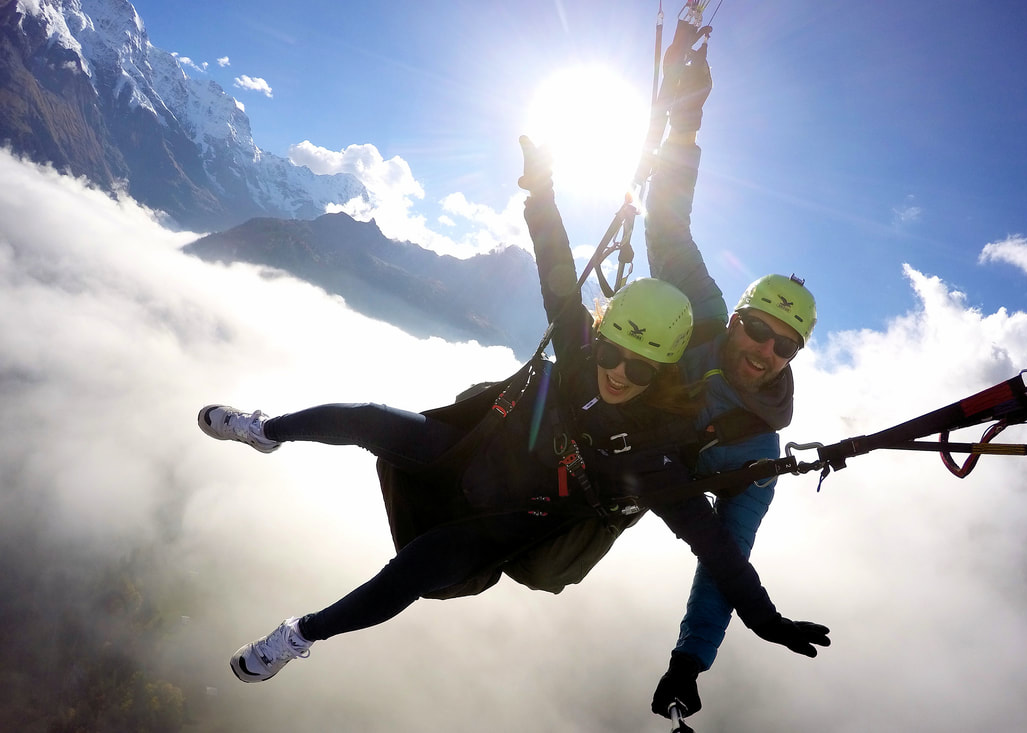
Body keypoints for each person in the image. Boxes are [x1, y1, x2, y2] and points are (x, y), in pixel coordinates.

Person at [196, 136, 828, 688]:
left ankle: (297, 636)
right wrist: (541, 187)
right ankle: (264, 430)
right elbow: (556, 264)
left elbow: (717, 547)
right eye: (612, 352)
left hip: (503, 521)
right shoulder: (583, 354)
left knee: (412, 572)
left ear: (662, 372)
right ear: (601, 335)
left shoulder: (653, 454)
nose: (618, 373)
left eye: (639, 370)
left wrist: (760, 620)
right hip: (470, 449)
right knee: (368, 419)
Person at [644, 31, 824, 720]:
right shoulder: (702, 314)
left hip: (628, 483)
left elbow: (725, 555)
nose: (762, 351)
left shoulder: (756, 449)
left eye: (783, 345)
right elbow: (668, 219)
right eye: (757, 329)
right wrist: (685, 116)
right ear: (738, 317)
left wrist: (690, 659)